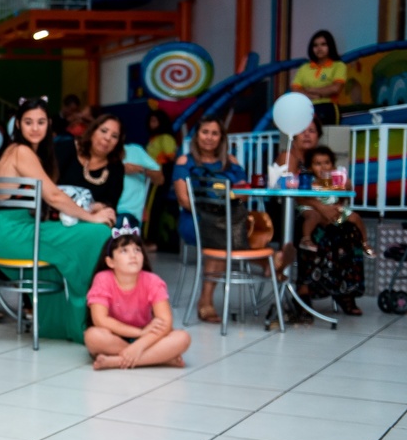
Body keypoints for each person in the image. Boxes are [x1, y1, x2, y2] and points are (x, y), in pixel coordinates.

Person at [0, 98, 115, 343]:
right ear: (18, 124)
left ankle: (66, 323)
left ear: (48, 124)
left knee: (86, 233)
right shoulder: (20, 151)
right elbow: (54, 196)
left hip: (19, 229)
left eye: (40, 122)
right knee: (98, 233)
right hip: (14, 233)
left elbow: (52, 197)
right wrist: (91, 217)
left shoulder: (30, 152)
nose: (35, 128)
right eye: (28, 122)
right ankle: (90, 317)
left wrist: (87, 209)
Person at [175, 115, 291, 323]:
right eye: (205, 132)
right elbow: (184, 200)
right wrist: (214, 209)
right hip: (197, 220)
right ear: (197, 135)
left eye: (215, 133)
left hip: (231, 219)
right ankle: (267, 261)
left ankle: (207, 300)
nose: (209, 137)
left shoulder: (231, 162)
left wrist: (225, 204)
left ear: (221, 138)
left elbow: (244, 195)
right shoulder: (185, 161)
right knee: (220, 233)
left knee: (232, 230)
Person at [271, 118, 366, 315]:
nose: (307, 134)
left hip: (321, 211)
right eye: (302, 130)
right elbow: (292, 193)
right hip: (291, 214)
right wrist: (321, 208)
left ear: (319, 136)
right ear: (294, 135)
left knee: (349, 229)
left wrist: (339, 198)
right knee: (316, 233)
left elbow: (335, 192)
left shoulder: (321, 159)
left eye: (312, 131)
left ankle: (345, 290)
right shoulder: (289, 157)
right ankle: (304, 290)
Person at [85, 221, 190, 370]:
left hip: (148, 337)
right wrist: (139, 333)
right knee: (92, 336)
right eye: (124, 251)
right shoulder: (103, 279)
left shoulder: (153, 281)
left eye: (137, 250)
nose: (133, 255)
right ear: (110, 262)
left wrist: (140, 344)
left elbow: (165, 322)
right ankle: (159, 358)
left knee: (183, 338)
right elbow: (100, 319)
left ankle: (117, 361)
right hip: (116, 335)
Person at [300, 146, 372, 255]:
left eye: (327, 163)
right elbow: (306, 197)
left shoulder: (336, 181)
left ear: (333, 166)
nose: (323, 167)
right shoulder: (310, 181)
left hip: (333, 207)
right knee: (313, 216)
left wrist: (346, 186)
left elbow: (344, 195)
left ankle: (365, 243)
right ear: (310, 168)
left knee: (355, 217)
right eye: (318, 164)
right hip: (314, 208)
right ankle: (306, 239)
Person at [56, 113, 126, 213]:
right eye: (103, 131)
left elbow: (110, 204)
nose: (107, 138)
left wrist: (90, 208)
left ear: (118, 143)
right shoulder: (68, 148)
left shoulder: (116, 168)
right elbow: (47, 184)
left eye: (114, 136)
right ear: (93, 131)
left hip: (90, 218)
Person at [292, 30, 347, 126]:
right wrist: (317, 94)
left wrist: (310, 90)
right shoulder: (304, 68)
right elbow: (295, 90)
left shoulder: (338, 66)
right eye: (315, 45)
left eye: (323, 44)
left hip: (329, 108)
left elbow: (335, 88)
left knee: (327, 135)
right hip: (306, 108)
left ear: (330, 46)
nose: (319, 48)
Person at [118, 140, 164, 227]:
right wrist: (118, 168)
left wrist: (140, 169)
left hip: (129, 212)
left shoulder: (135, 151)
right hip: (101, 211)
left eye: (115, 135)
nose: (108, 138)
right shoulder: (97, 152)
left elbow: (160, 179)